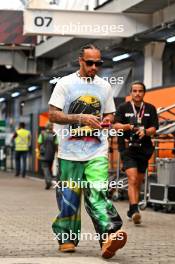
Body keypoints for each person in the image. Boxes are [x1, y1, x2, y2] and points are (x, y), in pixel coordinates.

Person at [48, 44, 127, 258]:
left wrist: (107, 121)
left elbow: (110, 114)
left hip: (97, 151)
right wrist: (80, 118)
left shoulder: (104, 86)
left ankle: (109, 236)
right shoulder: (65, 84)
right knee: (69, 198)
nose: (94, 67)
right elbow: (53, 115)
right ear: (80, 61)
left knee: (98, 192)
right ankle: (66, 238)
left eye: (98, 63)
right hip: (68, 152)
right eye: (90, 63)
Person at [114, 81, 159, 225]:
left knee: (138, 181)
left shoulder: (150, 108)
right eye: (134, 91)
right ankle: (135, 211)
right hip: (127, 149)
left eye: (140, 91)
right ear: (130, 93)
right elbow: (116, 126)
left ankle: (131, 208)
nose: (137, 93)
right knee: (132, 179)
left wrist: (144, 131)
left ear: (144, 93)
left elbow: (154, 128)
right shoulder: (123, 107)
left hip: (144, 149)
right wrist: (129, 126)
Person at [38, 122, 58, 189]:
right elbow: (56, 144)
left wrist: (39, 150)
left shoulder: (42, 133)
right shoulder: (54, 134)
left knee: (45, 168)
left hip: (43, 154)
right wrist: (56, 152)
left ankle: (48, 181)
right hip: (51, 154)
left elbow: (39, 142)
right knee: (49, 168)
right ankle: (48, 181)